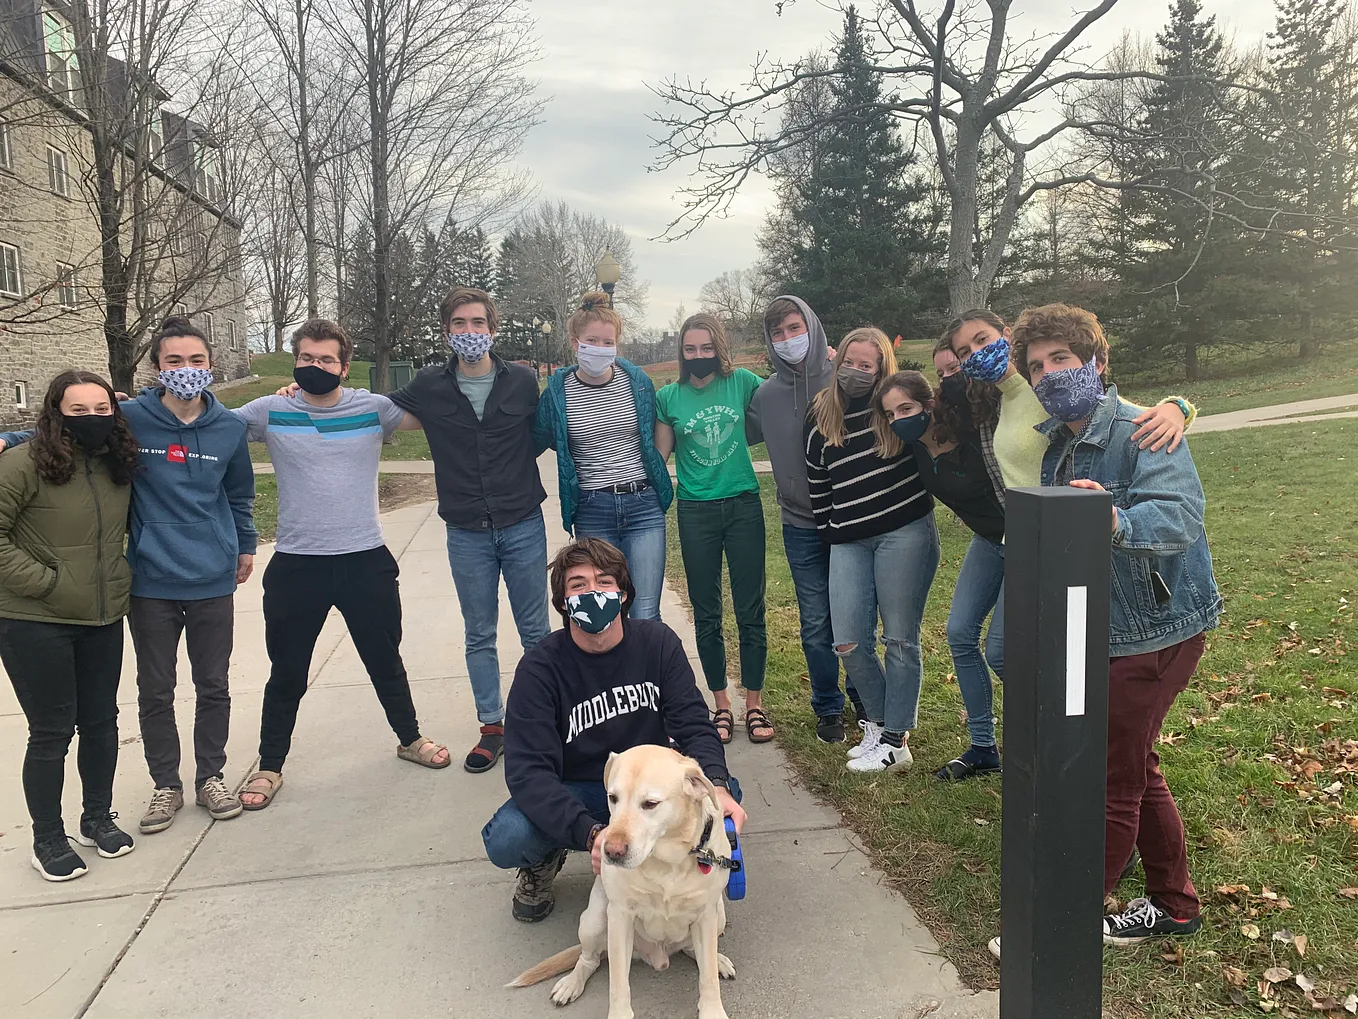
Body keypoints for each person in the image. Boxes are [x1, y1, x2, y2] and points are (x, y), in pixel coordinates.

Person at [1016, 304, 1219, 945]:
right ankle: (1174, 903)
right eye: (1038, 366)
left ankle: (1069, 915)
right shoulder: (1060, 445)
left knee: (1116, 776)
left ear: (1096, 362)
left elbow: (1180, 516)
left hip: (1159, 628)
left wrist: (1113, 519)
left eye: (1062, 359)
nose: (1050, 374)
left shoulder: (1143, 430)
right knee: (1135, 763)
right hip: (1104, 628)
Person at [234, 319, 449, 810]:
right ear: (295, 361)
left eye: (326, 359)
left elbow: (441, 410)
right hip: (296, 565)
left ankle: (410, 738)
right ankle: (269, 766)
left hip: (364, 560)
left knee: (384, 659)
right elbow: (206, 423)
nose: (315, 367)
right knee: (287, 670)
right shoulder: (270, 411)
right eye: (306, 358)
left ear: (345, 366)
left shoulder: (373, 409)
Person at [481, 537, 745, 922]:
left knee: (721, 798)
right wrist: (588, 832)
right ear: (563, 602)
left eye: (604, 582)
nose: (592, 593)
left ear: (623, 594)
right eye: (578, 585)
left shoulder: (657, 644)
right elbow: (527, 773)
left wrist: (717, 783)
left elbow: (692, 724)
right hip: (579, 790)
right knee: (508, 836)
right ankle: (543, 860)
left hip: (646, 792)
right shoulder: (540, 669)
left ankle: (669, 862)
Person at [388, 287, 550, 773]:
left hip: (522, 521)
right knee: (479, 633)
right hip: (466, 530)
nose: (470, 332)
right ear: (447, 331)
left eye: (478, 323)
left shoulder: (522, 381)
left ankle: (539, 723)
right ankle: (492, 728)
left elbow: (545, 432)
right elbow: (375, 409)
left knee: (536, 633)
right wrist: (303, 393)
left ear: (493, 329)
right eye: (460, 324)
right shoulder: (428, 385)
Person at [0, 371, 137, 880]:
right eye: (78, 411)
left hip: (102, 614)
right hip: (35, 619)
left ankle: (97, 817)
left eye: (101, 409)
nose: (92, 420)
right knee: (52, 731)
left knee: (102, 723)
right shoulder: (20, 465)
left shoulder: (115, 465)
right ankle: (47, 839)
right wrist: (47, 583)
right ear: (54, 413)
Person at [806, 328, 938, 774]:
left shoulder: (894, 410)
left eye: (868, 366)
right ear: (837, 360)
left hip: (904, 532)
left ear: (883, 369)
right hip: (848, 540)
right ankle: (880, 727)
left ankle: (896, 739)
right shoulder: (822, 413)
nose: (857, 372)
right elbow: (817, 482)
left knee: (899, 637)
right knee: (848, 641)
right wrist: (829, 531)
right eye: (850, 362)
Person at [873, 370, 1004, 780]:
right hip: (988, 541)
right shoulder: (911, 451)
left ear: (929, 404)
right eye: (891, 414)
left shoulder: (971, 433)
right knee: (960, 633)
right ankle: (984, 747)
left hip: (1026, 539)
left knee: (1002, 651)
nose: (898, 419)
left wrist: (1177, 409)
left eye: (906, 408)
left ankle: (1052, 735)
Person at [746, 295, 866, 745]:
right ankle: (827, 706)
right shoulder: (765, 395)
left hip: (850, 520)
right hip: (799, 524)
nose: (788, 339)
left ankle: (863, 697)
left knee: (853, 616)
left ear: (812, 327)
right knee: (816, 622)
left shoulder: (843, 378)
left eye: (795, 328)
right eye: (778, 334)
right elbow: (730, 426)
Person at [654, 313, 771, 745]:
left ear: (718, 348)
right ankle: (721, 705)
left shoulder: (741, 383)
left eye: (706, 348)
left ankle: (754, 704)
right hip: (696, 510)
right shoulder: (669, 396)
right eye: (690, 349)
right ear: (681, 353)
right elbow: (658, 456)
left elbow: (783, 403)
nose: (699, 356)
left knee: (750, 609)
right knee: (706, 611)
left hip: (743, 505)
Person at [534, 292, 673, 620]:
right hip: (593, 510)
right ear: (575, 342)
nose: (600, 347)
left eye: (607, 341)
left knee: (644, 611)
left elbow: (656, 428)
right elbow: (537, 440)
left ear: (617, 343)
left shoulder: (637, 382)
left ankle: (648, 673)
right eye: (591, 340)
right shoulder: (557, 393)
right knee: (602, 612)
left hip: (643, 507)